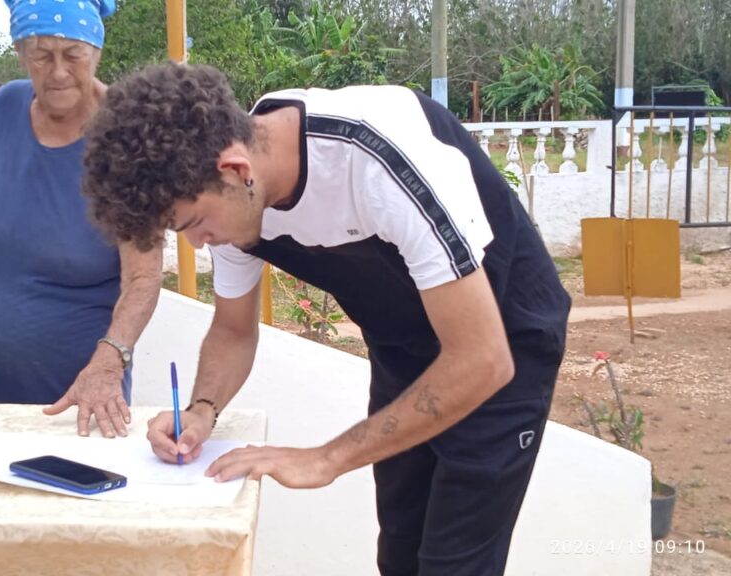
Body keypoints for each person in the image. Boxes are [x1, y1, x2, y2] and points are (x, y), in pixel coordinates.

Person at [81, 63, 571, 575]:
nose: (197, 243)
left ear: (236, 171)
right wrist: (202, 412)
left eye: (193, 224)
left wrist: (325, 459)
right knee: (400, 554)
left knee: (455, 564)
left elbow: (481, 359)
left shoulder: (380, 161)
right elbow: (232, 330)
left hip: (501, 342)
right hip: (404, 346)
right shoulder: (229, 189)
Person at [0, 0, 161, 439]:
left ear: (97, 53)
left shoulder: (127, 140)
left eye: (73, 54)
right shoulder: (7, 106)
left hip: (81, 392)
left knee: (74, 497)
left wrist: (108, 366)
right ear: (19, 53)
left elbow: (144, 279)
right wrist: (13, 222)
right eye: (41, 54)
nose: (58, 72)